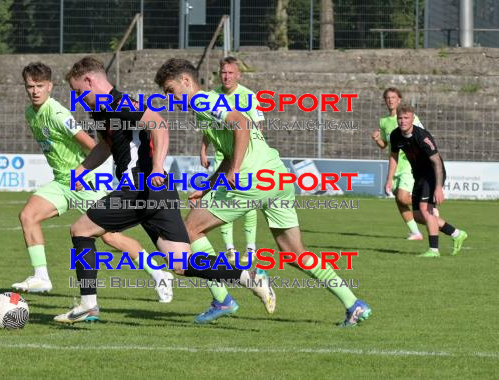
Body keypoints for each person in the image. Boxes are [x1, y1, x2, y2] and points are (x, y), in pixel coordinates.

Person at [54, 57, 274, 324]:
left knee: (80, 230)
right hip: (158, 191)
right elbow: (106, 144)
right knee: (181, 263)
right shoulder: (101, 110)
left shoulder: (118, 101)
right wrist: (82, 169)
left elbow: (158, 124)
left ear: (90, 80)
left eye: (79, 92)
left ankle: (88, 305)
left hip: (139, 185)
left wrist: (157, 166)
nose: (78, 98)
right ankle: (248, 278)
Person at [155, 58, 371, 326]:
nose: (169, 98)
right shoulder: (209, 104)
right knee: (293, 252)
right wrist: (209, 185)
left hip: (252, 179)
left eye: (169, 90)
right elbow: (234, 145)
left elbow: (243, 125)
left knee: (187, 232)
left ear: (185, 81)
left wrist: (234, 171)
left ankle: (224, 297)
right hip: (277, 177)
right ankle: (353, 303)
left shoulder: (202, 101)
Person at [13, 62, 173, 303]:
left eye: (39, 86)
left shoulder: (56, 113)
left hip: (86, 183)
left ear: (50, 87)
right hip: (62, 182)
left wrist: (85, 170)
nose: (34, 91)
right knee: (28, 216)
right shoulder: (30, 113)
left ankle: (159, 274)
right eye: (30, 87)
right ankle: (42, 276)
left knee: (110, 237)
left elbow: (93, 144)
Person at [200, 56, 261, 264]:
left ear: (238, 75)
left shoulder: (248, 96)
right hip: (222, 157)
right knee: (222, 199)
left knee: (248, 202)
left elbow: (258, 126)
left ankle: (251, 248)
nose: (226, 76)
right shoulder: (212, 96)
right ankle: (230, 249)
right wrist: (203, 149)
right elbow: (209, 126)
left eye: (230, 73)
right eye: (223, 73)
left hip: (246, 158)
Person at [389, 104, 468, 257]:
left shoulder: (423, 137)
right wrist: (389, 178)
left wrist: (438, 187)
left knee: (426, 210)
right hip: (418, 175)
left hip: (433, 173)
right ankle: (456, 233)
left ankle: (434, 250)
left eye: (406, 118)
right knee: (418, 216)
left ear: (413, 119)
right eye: (400, 118)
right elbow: (393, 156)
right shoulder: (395, 135)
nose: (403, 121)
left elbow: (437, 162)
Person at [372, 88, 424, 240]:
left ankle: (427, 204)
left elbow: (422, 135)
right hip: (395, 165)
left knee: (402, 197)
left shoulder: (409, 117)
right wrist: (377, 139)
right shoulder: (384, 121)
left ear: (399, 100)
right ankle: (415, 232)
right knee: (399, 200)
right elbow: (385, 145)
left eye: (393, 97)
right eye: (387, 98)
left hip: (409, 163)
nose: (390, 100)